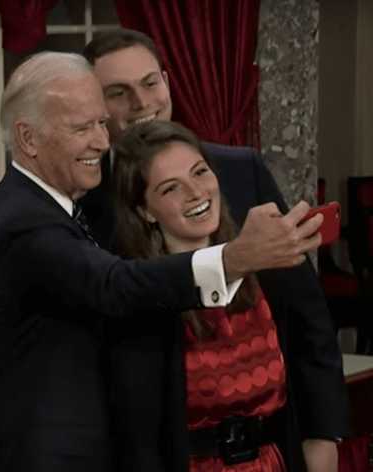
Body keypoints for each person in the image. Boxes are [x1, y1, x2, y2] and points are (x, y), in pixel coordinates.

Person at [0, 51, 323, 472]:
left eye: (101, 122)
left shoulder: (46, 210)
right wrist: (235, 258)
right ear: (28, 139)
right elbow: (114, 286)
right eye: (83, 127)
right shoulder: (25, 220)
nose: (101, 140)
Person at [81, 29, 347, 471]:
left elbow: (306, 315)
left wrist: (324, 433)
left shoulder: (241, 172)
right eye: (118, 93)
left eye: (150, 83)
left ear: (167, 81)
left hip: (273, 447)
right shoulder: (82, 208)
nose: (142, 103)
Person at [107, 119, 335, 471]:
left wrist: (322, 439)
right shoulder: (137, 299)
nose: (196, 192)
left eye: (200, 172)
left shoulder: (265, 267)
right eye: (171, 189)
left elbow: (311, 346)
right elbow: (136, 435)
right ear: (145, 211)